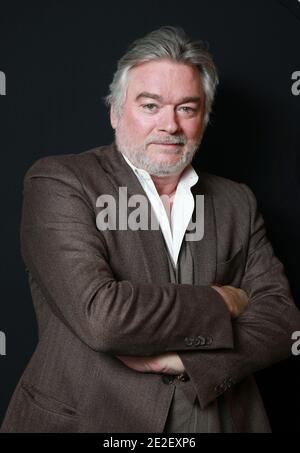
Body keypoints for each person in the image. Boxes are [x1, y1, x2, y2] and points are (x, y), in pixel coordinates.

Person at [1, 26, 300, 433]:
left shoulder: (237, 201)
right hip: (90, 420)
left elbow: (283, 321)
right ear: (115, 111)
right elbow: (102, 317)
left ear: (203, 119)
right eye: (150, 105)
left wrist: (191, 360)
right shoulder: (60, 182)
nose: (170, 125)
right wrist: (223, 300)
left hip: (216, 420)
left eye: (187, 108)